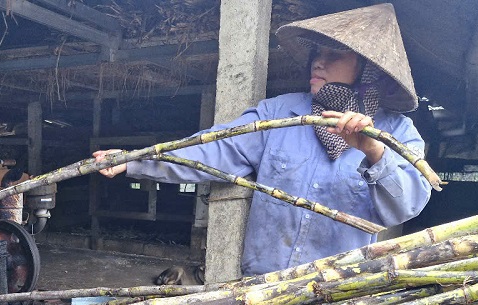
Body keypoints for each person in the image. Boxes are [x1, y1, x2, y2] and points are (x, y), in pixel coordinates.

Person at [93, 4, 431, 276]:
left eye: (335, 55)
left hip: (339, 294)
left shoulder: (398, 135)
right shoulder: (280, 113)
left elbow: (405, 207)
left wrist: (374, 151)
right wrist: (135, 159)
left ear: (367, 71)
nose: (319, 61)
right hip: (263, 283)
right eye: (317, 52)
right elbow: (214, 149)